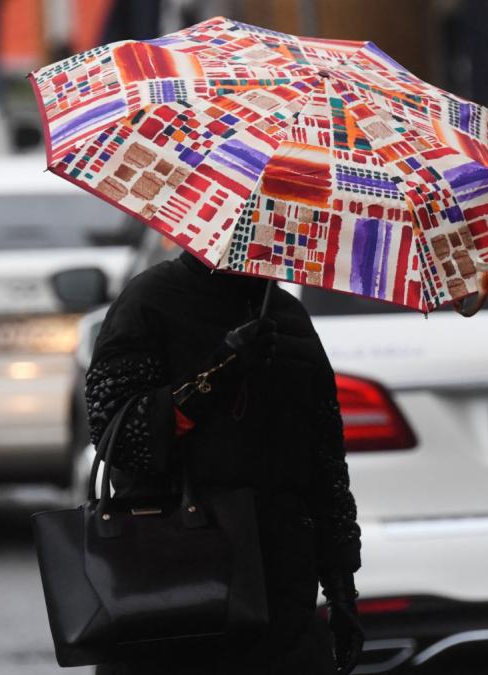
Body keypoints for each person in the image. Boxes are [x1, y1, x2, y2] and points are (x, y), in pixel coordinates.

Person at [86, 249, 364, 675]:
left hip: (280, 592)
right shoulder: (150, 301)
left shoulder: (287, 316)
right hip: (171, 585)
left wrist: (342, 587)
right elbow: (119, 437)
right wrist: (217, 374)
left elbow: (325, 464)